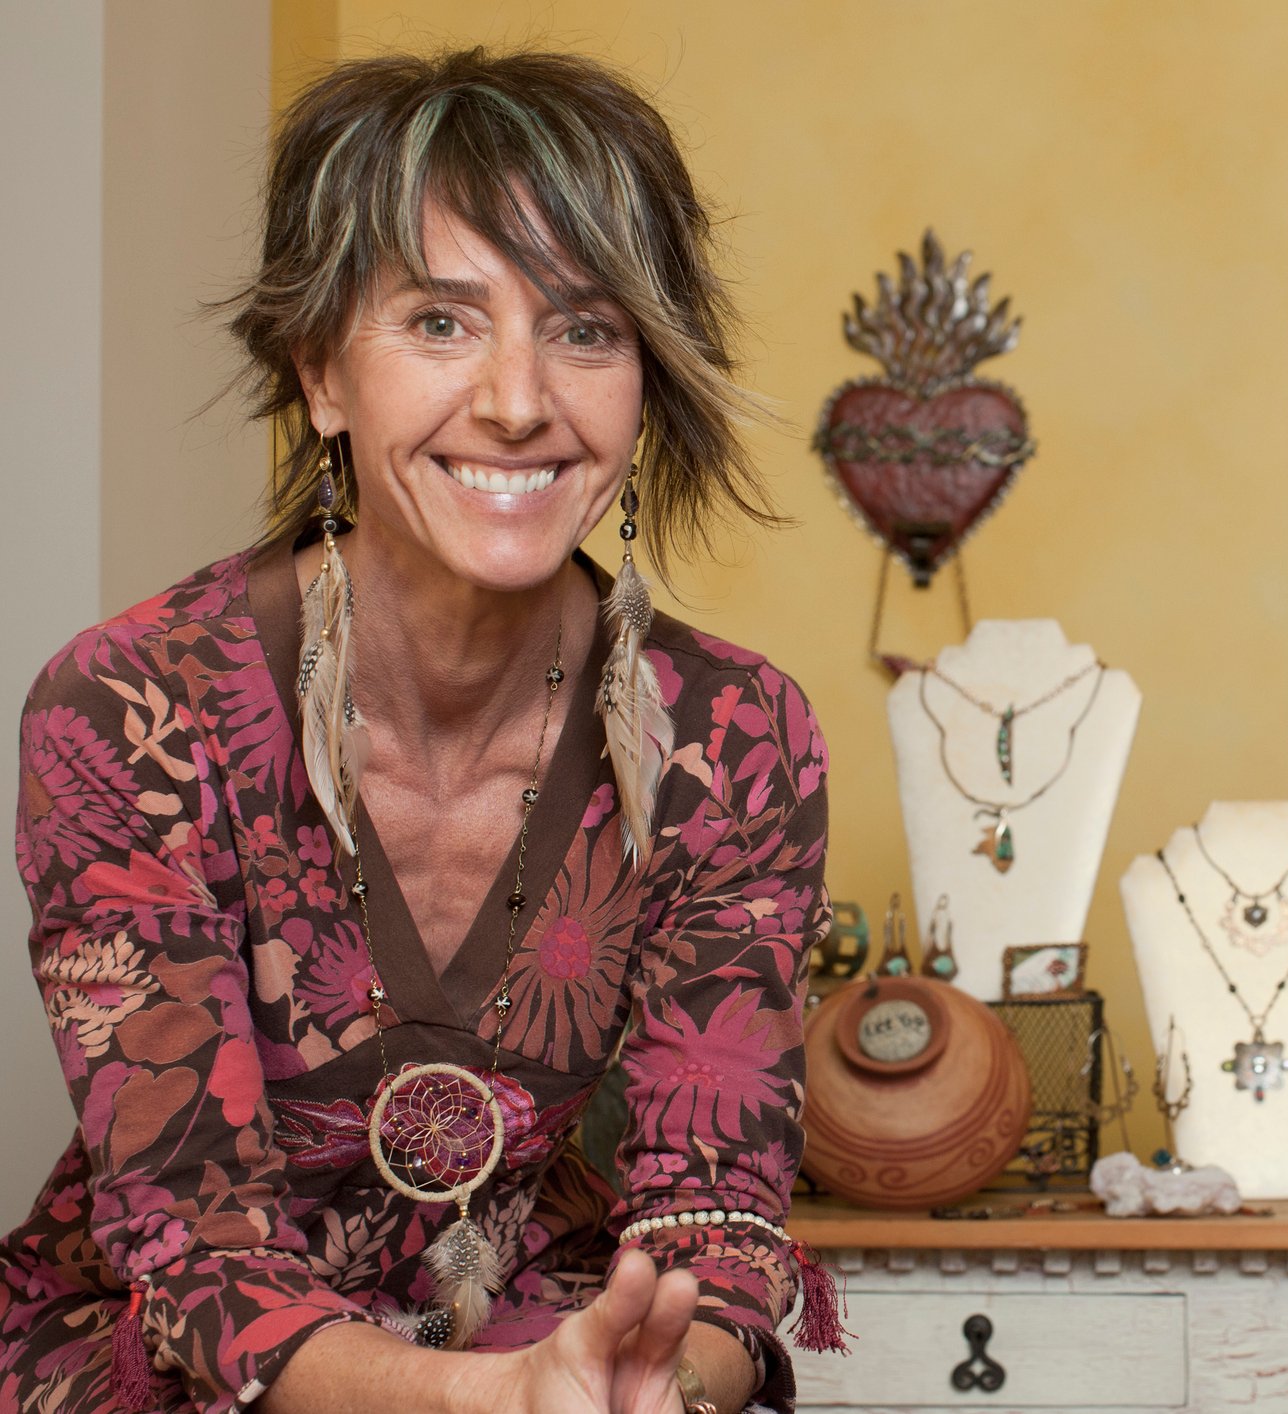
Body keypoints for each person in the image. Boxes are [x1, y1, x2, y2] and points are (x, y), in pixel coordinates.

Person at [0, 48, 835, 1413]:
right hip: (170, 1373)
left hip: (543, 1342)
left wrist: (649, 1375)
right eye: (441, 323)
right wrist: (486, 1402)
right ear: (320, 371)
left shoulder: (735, 734)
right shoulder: (129, 711)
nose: (517, 398)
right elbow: (197, 1256)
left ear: (647, 381)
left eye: (585, 327)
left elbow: (717, 1224)